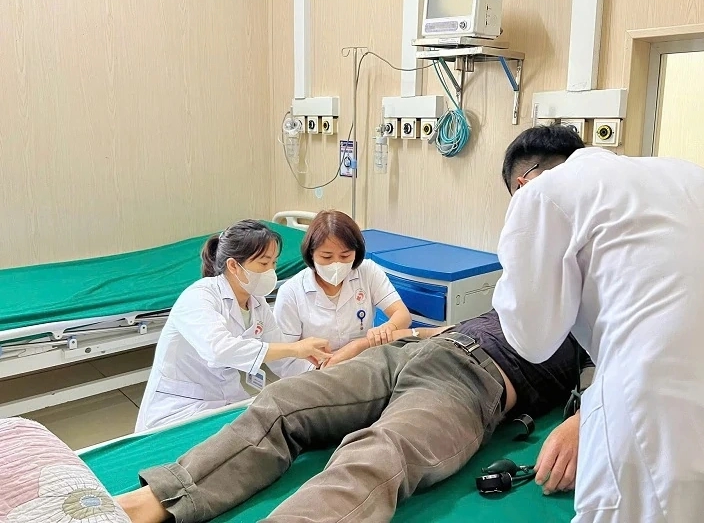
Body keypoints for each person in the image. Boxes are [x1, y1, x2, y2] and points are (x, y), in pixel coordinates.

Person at [492, 124, 704, 522]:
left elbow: (531, 339)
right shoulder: (694, 177)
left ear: (521, 183)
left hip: (659, 399)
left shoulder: (541, 194)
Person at [116, 309, 584, 523]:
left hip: (469, 382)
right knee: (282, 403)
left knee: (379, 452)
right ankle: (153, 502)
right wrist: (361, 344)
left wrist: (580, 422)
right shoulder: (528, 292)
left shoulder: (599, 330)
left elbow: (615, 391)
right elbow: (443, 329)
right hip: (411, 353)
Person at [135, 220, 331, 432]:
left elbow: (283, 358)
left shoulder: (256, 302)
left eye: (274, 263)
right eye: (264, 263)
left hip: (226, 398)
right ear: (233, 266)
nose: (271, 271)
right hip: (179, 406)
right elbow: (219, 350)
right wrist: (295, 348)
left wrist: (321, 371)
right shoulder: (199, 297)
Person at [271, 210, 412, 377]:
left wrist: (388, 328)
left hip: (363, 366)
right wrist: (327, 368)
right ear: (311, 253)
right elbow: (285, 359)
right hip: (314, 375)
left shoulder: (368, 272)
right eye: (327, 257)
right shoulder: (291, 292)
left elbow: (402, 314)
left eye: (345, 256)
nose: (336, 264)